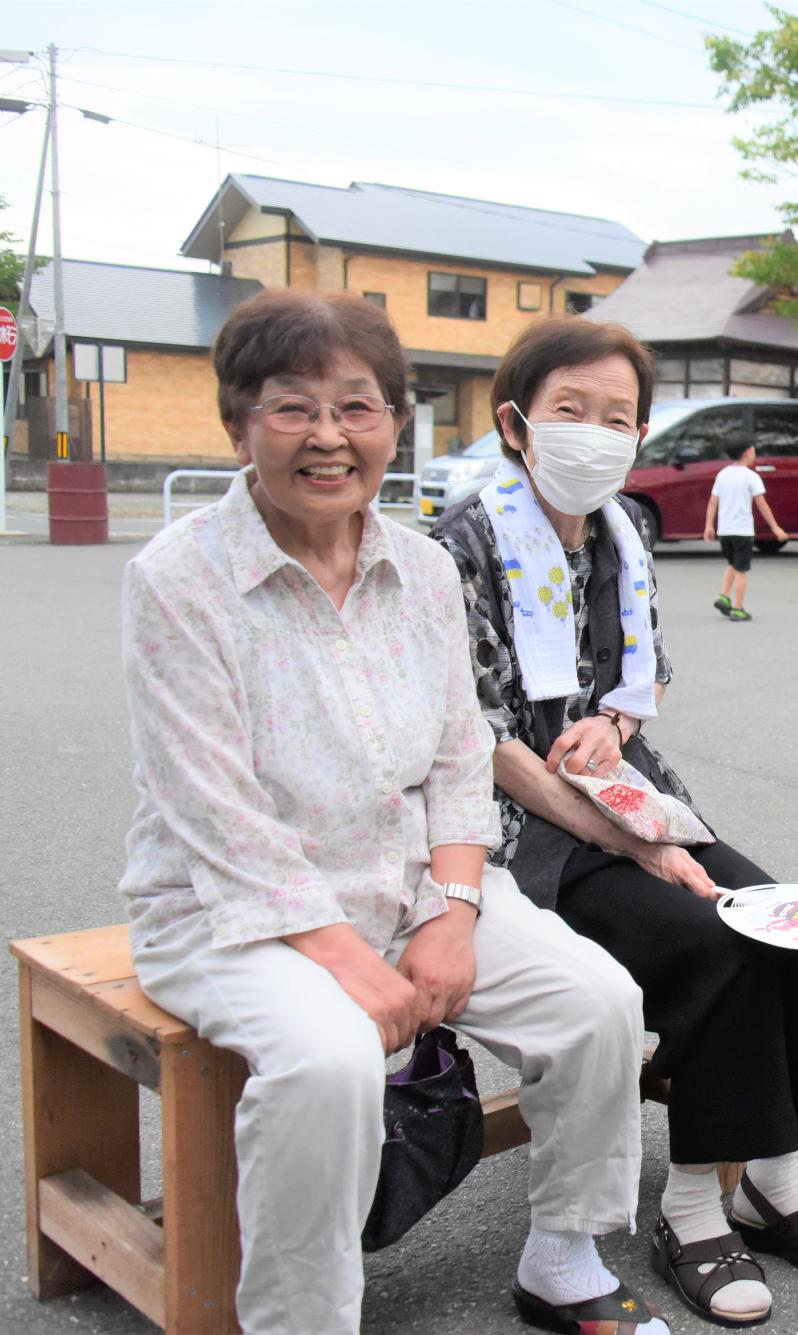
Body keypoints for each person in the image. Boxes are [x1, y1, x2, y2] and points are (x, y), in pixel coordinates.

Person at [120, 291, 668, 1334]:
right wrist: (343, 954)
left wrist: (454, 911)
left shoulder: (420, 567)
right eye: (292, 409)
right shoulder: (179, 580)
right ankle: (303, 1319)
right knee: (329, 1061)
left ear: (394, 424)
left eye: (357, 408)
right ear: (237, 423)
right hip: (230, 911)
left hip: (414, 884)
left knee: (599, 1002)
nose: (328, 438)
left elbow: (464, 755)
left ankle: (563, 1253)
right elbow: (213, 809)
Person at [434, 318, 798, 1327]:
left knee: (789, 928)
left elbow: (643, 678)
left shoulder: (622, 534)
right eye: (568, 412)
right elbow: (481, 737)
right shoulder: (461, 546)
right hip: (519, 832)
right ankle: (689, 1208)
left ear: (639, 435)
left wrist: (613, 727)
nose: (594, 433)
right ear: (515, 423)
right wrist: (632, 842)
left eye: (616, 417)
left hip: (631, 792)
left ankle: (772, 1179)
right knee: (711, 947)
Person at [705, 438, 789, 621]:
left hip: (724, 531)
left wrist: (709, 526)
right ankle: (737, 608)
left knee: (732, 564)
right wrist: (775, 528)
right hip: (742, 531)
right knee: (741, 570)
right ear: (748, 452)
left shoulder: (722, 474)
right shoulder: (751, 477)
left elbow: (713, 502)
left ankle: (724, 597)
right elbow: (762, 505)